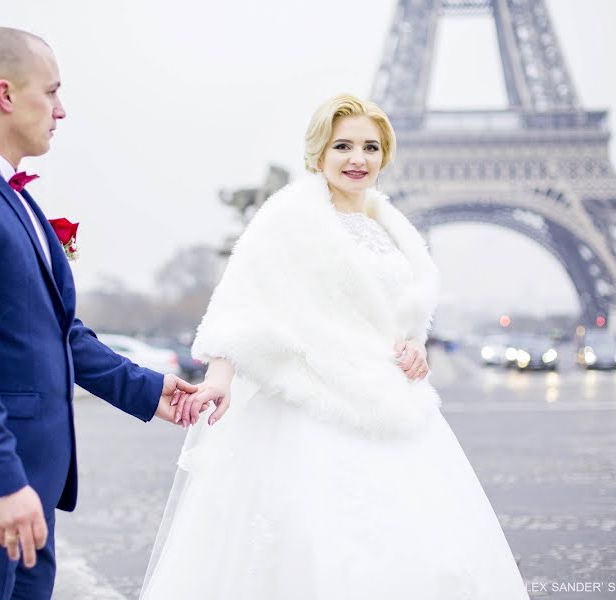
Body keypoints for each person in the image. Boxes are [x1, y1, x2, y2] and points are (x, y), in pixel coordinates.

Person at [140, 94, 530, 599]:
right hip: (313, 403)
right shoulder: (288, 219)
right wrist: (219, 379)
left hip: (393, 407)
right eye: (343, 145)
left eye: (370, 146)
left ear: (384, 155)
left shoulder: (390, 228)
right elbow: (241, 301)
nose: (357, 158)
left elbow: (401, 316)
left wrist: (413, 345)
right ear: (317, 154)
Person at [0, 27, 196, 600]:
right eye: (51, 92)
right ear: (6, 95)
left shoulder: (15, 197)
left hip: (27, 498)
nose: (62, 110)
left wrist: (151, 391)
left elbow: (58, 334)